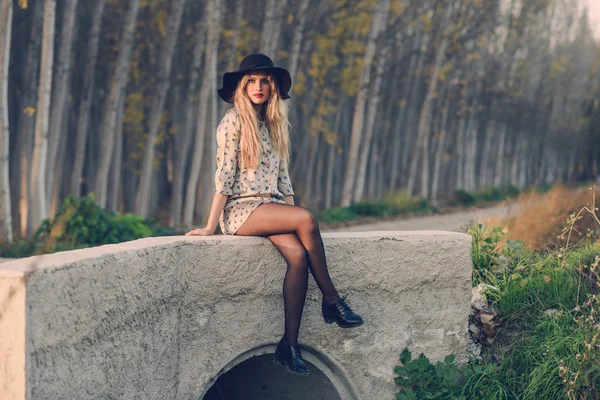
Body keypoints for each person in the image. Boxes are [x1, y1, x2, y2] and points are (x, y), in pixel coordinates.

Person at [185, 54, 364, 376]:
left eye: (265, 81)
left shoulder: (276, 124)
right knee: (307, 219)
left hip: (271, 209)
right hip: (240, 210)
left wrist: (291, 216)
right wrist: (210, 226)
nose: (259, 87)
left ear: (273, 88)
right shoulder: (233, 122)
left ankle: (288, 345)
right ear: (241, 87)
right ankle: (333, 301)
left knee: (298, 255)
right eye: (251, 81)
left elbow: (284, 180)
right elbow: (224, 175)